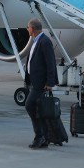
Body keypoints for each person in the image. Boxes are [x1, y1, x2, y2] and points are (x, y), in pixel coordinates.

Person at [24, 18, 57, 149]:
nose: (27, 29)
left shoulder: (44, 41)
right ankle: (45, 137)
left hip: (41, 83)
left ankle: (40, 136)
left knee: (30, 105)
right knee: (39, 110)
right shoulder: (36, 41)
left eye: (28, 27)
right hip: (35, 81)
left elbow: (51, 63)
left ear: (33, 28)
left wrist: (50, 82)